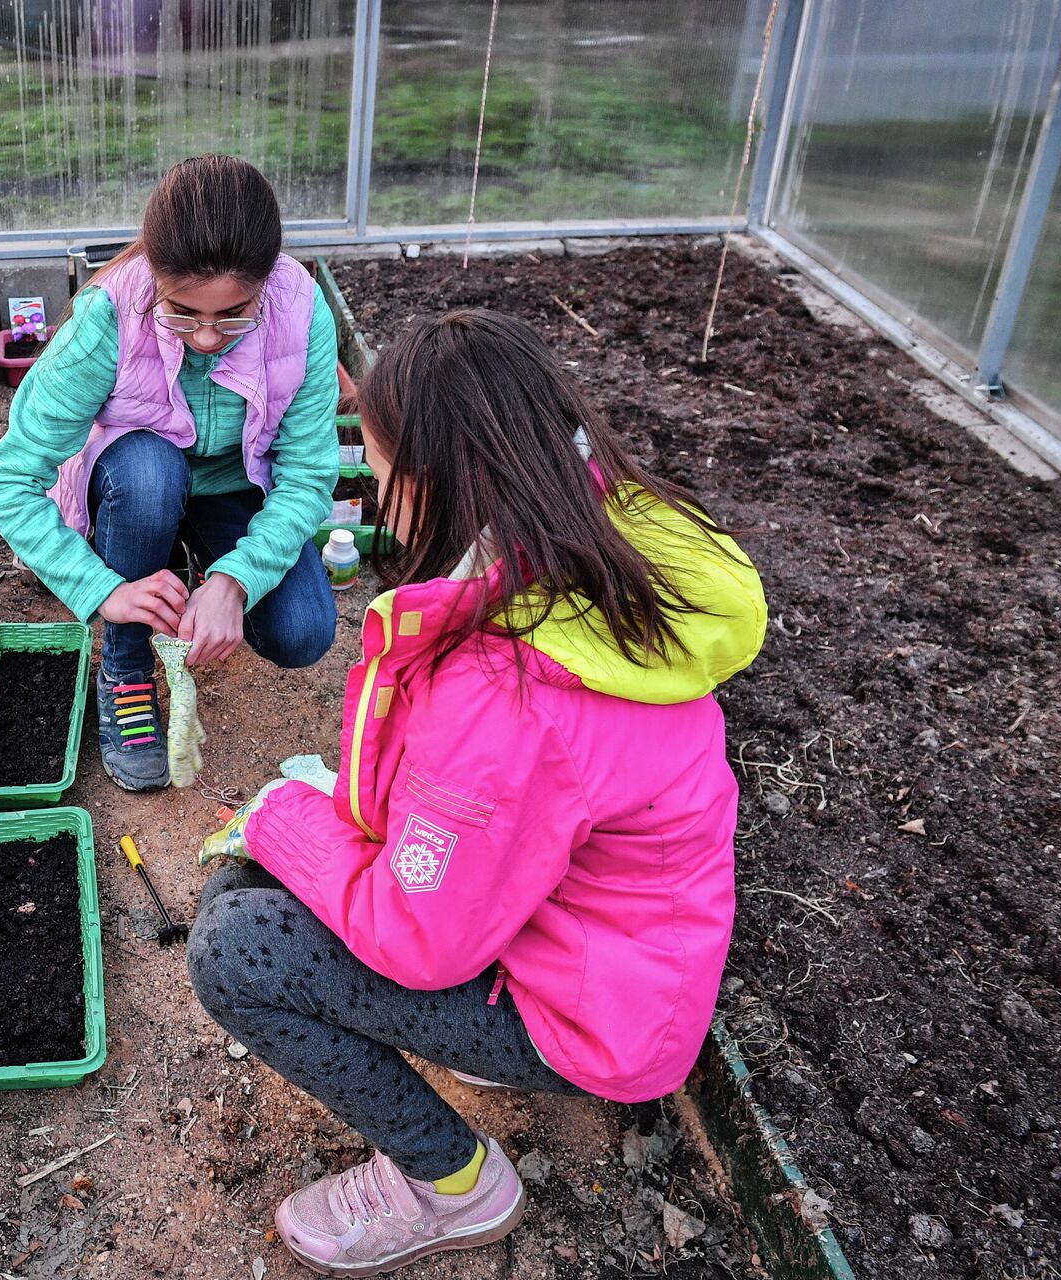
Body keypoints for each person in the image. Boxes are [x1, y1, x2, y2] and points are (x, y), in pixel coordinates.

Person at [186, 310, 768, 1276]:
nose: (374, 497)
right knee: (265, 879)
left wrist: (279, 815)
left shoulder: (511, 697)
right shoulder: (594, 545)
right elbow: (493, 814)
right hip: (610, 952)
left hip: (589, 1017)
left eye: (377, 472)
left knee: (235, 944)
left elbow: (421, 936)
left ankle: (448, 1185)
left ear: (430, 480)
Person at [0, 155, 340, 793]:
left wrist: (236, 580)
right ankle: (124, 664)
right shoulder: (107, 317)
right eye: (182, 312)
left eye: (235, 313)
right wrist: (100, 590)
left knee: (302, 631)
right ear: (154, 275)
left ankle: (198, 569)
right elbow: (9, 480)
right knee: (149, 472)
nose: (206, 337)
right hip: (134, 485)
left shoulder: (302, 311)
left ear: (268, 283)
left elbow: (309, 474)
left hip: (236, 488)